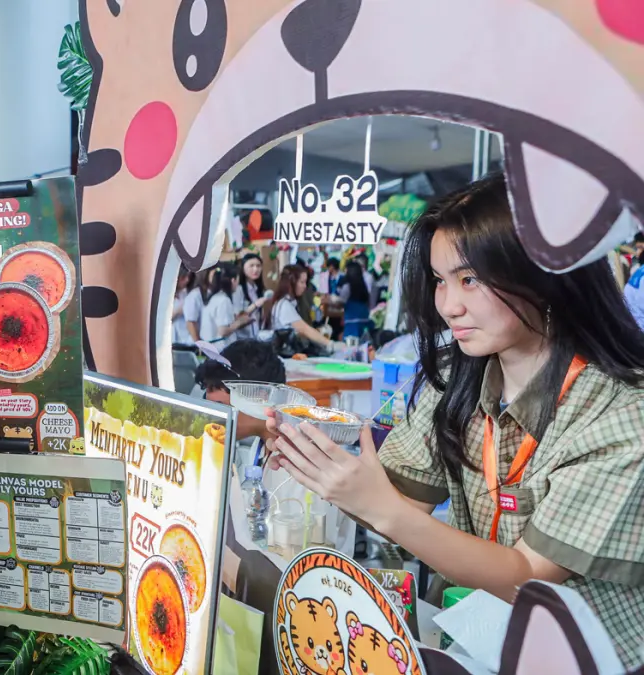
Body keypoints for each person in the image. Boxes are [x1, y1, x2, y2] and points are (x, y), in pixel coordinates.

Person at [266, 173, 644, 668]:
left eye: (469, 279)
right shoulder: (458, 376)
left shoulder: (620, 412)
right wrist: (314, 461)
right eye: (440, 281)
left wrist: (383, 508)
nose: (448, 305)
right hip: (477, 641)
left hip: (591, 658)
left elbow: (528, 575)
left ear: (544, 276)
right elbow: (397, 499)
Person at [264, 264, 338, 352]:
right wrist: (330, 343)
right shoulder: (284, 305)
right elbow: (304, 329)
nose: (305, 286)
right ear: (292, 282)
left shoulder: (289, 302)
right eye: (302, 282)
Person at [200, 264, 254, 347]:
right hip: (220, 350)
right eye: (237, 281)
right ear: (233, 281)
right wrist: (240, 322)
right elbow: (223, 331)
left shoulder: (214, 297)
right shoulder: (224, 300)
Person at [337, 260, 373, 339]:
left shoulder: (347, 286)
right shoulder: (364, 286)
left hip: (351, 321)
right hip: (364, 320)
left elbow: (341, 302)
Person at [236, 254, 268, 340]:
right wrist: (255, 305)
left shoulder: (257, 288)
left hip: (256, 336)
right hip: (242, 338)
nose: (256, 269)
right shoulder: (238, 290)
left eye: (258, 266)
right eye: (251, 266)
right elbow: (237, 316)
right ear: (243, 268)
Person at [183, 270, 209, 342]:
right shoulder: (194, 295)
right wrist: (199, 344)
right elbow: (190, 323)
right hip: (194, 345)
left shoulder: (208, 292)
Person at [172, 268, 196, 345]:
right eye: (183, 278)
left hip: (185, 339)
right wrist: (178, 311)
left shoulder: (187, 294)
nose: (187, 280)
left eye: (188, 277)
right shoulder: (165, 295)